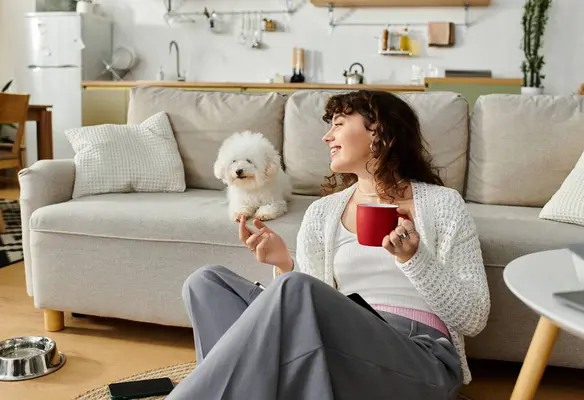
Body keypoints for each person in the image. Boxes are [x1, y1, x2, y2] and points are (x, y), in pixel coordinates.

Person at [166, 90, 491, 400]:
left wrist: (414, 258)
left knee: (295, 289)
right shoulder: (322, 212)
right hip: (339, 354)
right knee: (206, 283)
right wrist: (283, 264)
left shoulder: (443, 204)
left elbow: (474, 318)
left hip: (418, 356)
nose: (326, 137)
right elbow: (310, 317)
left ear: (377, 131)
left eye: (338, 125)